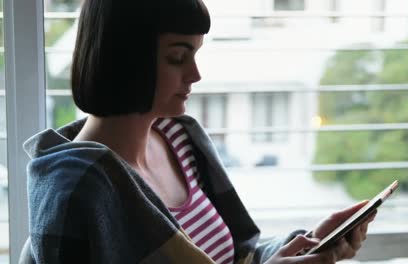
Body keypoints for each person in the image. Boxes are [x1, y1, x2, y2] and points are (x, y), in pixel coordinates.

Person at [23, 0, 375, 263]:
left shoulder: (181, 139)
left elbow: (238, 254)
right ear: (126, 58)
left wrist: (310, 242)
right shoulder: (76, 189)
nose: (195, 75)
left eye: (195, 55)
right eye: (178, 58)